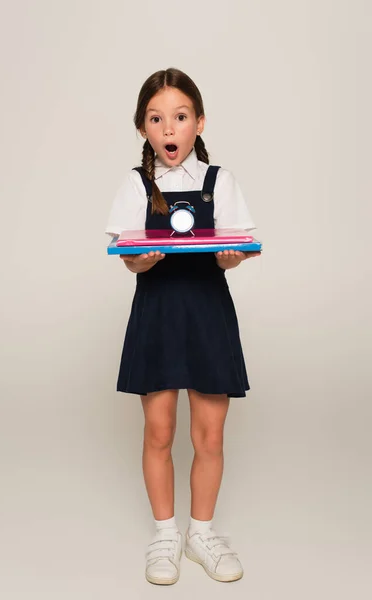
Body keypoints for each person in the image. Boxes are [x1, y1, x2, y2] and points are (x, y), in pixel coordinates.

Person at [105, 68, 261, 585]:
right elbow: (129, 260)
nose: (169, 128)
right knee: (159, 430)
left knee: (210, 435)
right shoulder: (136, 183)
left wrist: (231, 256)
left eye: (180, 116)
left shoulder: (220, 181)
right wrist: (143, 260)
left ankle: (202, 532)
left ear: (198, 123)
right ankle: (166, 534)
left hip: (208, 314)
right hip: (158, 314)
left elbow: (229, 257)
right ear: (143, 128)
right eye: (156, 119)